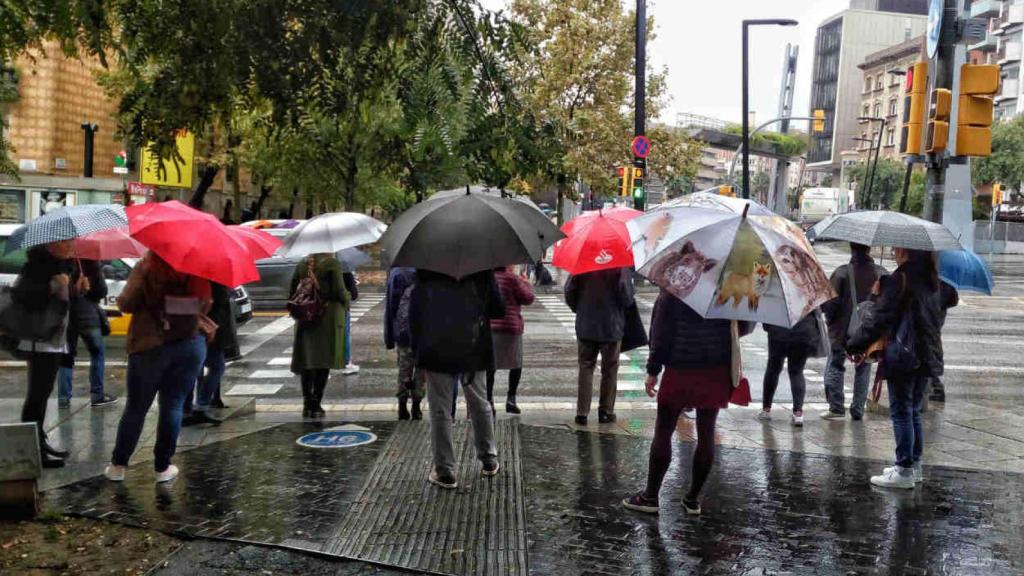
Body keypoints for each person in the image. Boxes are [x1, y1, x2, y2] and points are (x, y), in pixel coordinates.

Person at [623, 289, 751, 516]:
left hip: (680, 367)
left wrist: (653, 370)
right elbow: (744, 327)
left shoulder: (676, 285)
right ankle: (693, 498)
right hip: (716, 368)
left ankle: (650, 496)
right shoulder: (730, 285)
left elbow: (660, 333)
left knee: (663, 429)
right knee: (706, 432)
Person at [105, 253, 211, 483]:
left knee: (136, 408)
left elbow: (126, 303)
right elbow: (205, 303)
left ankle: (118, 466)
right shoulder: (196, 267)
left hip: (149, 344)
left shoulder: (147, 266)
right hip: (188, 343)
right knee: (173, 405)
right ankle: (163, 467)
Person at [847, 248, 944, 489]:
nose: (892, 252)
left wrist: (855, 343)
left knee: (901, 411)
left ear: (905, 251)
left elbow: (880, 318)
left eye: (895, 248)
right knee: (912, 411)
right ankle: (914, 465)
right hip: (925, 354)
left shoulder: (899, 279)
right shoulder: (931, 281)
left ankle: (903, 470)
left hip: (904, 355)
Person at [409, 269, 505, 489]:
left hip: (436, 348)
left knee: (440, 409)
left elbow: (415, 314)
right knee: (480, 403)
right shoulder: (481, 270)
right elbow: (498, 309)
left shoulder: (426, 270)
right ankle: (489, 459)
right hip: (473, 347)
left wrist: (417, 352)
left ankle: (445, 471)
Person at [13, 241, 79, 468]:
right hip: (40, 340)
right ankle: (33, 451)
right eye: (66, 242)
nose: (72, 245)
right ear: (51, 245)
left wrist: (77, 288)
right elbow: (22, 297)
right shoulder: (35, 268)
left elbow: (65, 303)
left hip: (56, 339)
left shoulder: (65, 268)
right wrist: (51, 287)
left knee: (43, 394)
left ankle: (40, 442)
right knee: (37, 396)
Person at [820, 243, 887, 421]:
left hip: (841, 331)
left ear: (851, 249)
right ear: (869, 248)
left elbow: (829, 304)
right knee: (864, 368)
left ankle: (836, 407)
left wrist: (831, 321)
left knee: (835, 366)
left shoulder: (841, 273)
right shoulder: (881, 273)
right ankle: (857, 409)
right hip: (868, 332)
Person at [565, 267, 635, 425]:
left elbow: (569, 291)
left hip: (586, 325)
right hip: (611, 326)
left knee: (585, 367)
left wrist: (580, 309)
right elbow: (627, 298)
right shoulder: (619, 266)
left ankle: (582, 412)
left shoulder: (583, 264)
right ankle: (605, 411)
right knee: (610, 369)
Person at [290, 253, 350, 418]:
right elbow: (339, 291)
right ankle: (317, 403)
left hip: (306, 318)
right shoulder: (332, 264)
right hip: (326, 317)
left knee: (307, 362)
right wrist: (348, 299)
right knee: (323, 361)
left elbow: (292, 289)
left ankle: (306, 403)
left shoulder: (302, 264)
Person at [58, 258, 117, 408]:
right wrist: (82, 287)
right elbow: (102, 291)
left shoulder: (61, 263)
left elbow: (58, 293)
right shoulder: (92, 262)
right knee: (97, 353)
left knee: (66, 356)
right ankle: (97, 395)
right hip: (88, 316)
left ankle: (63, 399)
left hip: (67, 317)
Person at [182, 282, 237, 426]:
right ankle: (198, 406)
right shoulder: (210, 282)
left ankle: (189, 408)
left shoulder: (195, 278)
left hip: (203, 329)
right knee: (214, 367)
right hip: (207, 330)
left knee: (196, 370)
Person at [487, 266, 535, 415]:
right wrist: (527, 283)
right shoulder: (512, 279)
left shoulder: (488, 278)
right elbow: (528, 298)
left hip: (491, 326)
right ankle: (511, 398)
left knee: (490, 366)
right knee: (516, 363)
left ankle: (489, 400)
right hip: (510, 327)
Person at [758, 312, 821, 427]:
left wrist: (769, 327)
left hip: (778, 330)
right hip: (803, 332)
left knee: (773, 368)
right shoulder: (809, 293)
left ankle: (766, 409)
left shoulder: (778, 294)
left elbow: (766, 312)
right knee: (796, 371)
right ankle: (798, 413)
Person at [384, 266, 423, 420]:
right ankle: (416, 406)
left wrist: (390, 337)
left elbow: (391, 308)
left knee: (404, 369)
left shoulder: (396, 274)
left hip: (403, 332)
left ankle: (402, 405)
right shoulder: (423, 272)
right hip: (421, 332)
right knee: (420, 370)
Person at [928, 280, 959, 403]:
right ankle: (935, 384)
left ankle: (935, 385)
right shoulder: (947, 279)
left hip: (931, 314)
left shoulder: (931, 277)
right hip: (939, 313)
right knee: (932, 345)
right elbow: (954, 299)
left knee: (928, 348)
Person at [341, 270, 359, 375]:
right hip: (341, 309)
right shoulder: (345, 271)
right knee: (345, 335)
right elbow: (354, 294)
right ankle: (347, 363)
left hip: (321, 308)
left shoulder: (316, 268)